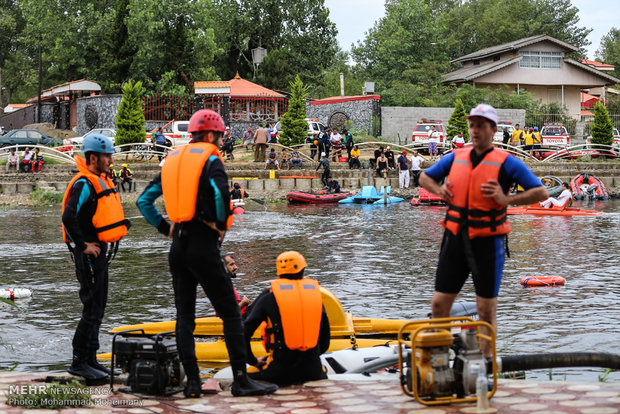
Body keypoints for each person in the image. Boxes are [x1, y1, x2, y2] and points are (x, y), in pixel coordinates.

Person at [136, 109, 278, 398]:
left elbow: (143, 201)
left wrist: (166, 229)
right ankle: (241, 380)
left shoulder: (172, 159)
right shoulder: (211, 158)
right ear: (211, 135)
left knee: (184, 317)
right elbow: (219, 193)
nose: (221, 143)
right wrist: (222, 224)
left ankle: (192, 384)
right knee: (230, 313)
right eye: (221, 137)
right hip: (203, 243)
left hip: (178, 247)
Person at [419, 103, 547, 358]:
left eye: (481, 125)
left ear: (493, 130)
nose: (475, 130)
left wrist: (505, 199)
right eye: (472, 125)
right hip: (454, 238)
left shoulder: (507, 162)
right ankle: (439, 362)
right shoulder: (456, 156)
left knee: (486, 309)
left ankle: (487, 365)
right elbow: (424, 177)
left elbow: (540, 191)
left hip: (488, 243)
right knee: (439, 303)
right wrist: (439, 190)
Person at [61, 133, 130, 380]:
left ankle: (91, 359)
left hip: (99, 253)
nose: (111, 159)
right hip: (88, 255)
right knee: (91, 307)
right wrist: (83, 246)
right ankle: (79, 363)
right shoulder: (84, 184)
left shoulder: (98, 180)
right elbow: (68, 217)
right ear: (93, 157)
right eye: (107, 155)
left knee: (99, 307)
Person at [243, 251, 330, 385]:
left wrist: (254, 361)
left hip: (278, 373)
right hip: (313, 372)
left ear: (279, 272)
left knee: (247, 373)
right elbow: (325, 341)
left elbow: (244, 334)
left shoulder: (268, 296)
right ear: (303, 270)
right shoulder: (315, 295)